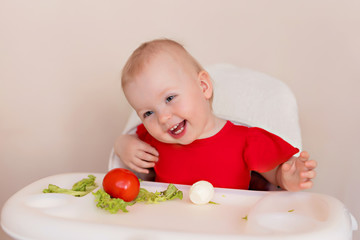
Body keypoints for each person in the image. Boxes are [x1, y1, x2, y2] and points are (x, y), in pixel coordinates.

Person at [115, 38, 317, 191]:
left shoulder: (244, 140)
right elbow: (130, 142)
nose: (163, 117)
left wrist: (288, 178)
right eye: (148, 112)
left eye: (169, 99)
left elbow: (275, 174)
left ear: (203, 87)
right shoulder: (153, 141)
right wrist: (123, 145)